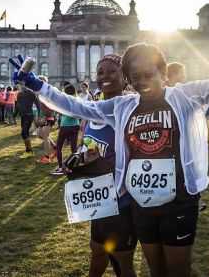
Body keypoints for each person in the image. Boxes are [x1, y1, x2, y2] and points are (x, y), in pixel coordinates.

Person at [11, 21, 209, 276]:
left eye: (150, 74)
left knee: (178, 271)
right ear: (129, 80)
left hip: (179, 201)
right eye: (137, 77)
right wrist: (38, 86)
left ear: (162, 73)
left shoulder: (186, 96)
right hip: (142, 202)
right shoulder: (121, 106)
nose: (144, 81)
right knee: (156, 271)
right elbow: (74, 105)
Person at [68, 54, 137, 277]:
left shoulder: (131, 111)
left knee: (122, 262)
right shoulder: (91, 111)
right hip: (99, 199)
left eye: (111, 71)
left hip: (123, 202)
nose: (105, 76)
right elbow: (87, 145)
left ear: (125, 77)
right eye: (100, 72)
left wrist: (101, 164)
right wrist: (78, 161)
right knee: (97, 250)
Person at [52, 83, 81, 175]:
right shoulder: (78, 100)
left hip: (65, 125)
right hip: (75, 125)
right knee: (74, 148)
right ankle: (74, 167)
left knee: (59, 147)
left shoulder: (65, 100)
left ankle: (61, 167)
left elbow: (59, 110)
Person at [36, 76, 57, 164]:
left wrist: (45, 117)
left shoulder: (48, 92)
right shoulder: (40, 92)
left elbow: (52, 106)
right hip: (43, 117)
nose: (39, 82)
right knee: (40, 134)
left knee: (44, 136)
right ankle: (55, 147)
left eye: (42, 81)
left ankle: (47, 157)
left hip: (49, 117)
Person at [16, 85, 39, 154]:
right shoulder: (19, 94)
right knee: (24, 133)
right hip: (23, 116)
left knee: (24, 132)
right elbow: (18, 105)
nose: (21, 86)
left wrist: (40, 115)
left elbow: (38, 105)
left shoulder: (31, 93)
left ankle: (29, 149)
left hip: (29, 115)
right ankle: (28, 149)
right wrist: (15, 114)